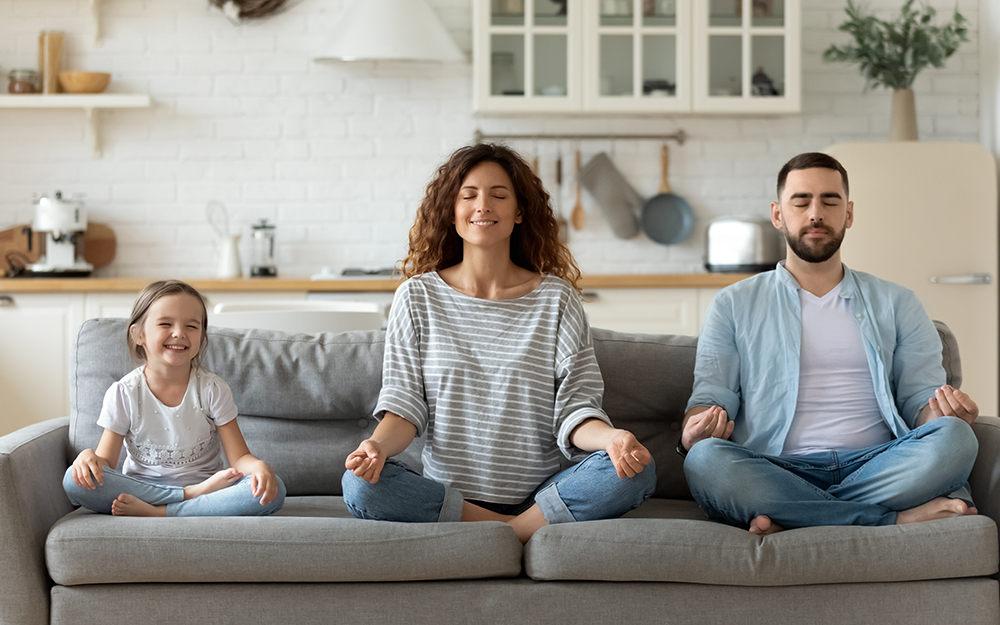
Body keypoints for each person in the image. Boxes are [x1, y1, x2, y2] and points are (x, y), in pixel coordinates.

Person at [341, 143, 655, 543]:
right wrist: (375, 447)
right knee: (359, 484)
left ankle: (499, 532)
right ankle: (515, 534)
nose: (482, 205)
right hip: (448, 495)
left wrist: (611, 438)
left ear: (519, 212)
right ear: (451, 211)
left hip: (540, 495)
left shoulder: (557, 299)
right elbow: (404, 406)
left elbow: (576, 409)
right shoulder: (417, 297)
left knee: (637, 468)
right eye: (468, 195)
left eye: (499, 195)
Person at [680, 152, 980, 535]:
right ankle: (891, 519)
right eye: (801, 201)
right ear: (777, 214)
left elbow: (919, 400)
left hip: (877, 463)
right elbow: (712, 395)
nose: (815, 213)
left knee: (956, 438)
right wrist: (693, 431)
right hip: (776, 466)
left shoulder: (898, 302)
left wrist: (945, 415)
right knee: (705, 460)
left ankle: (794, 517)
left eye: (830, 201)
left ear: (849, 214)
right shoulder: (733, 304)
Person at [63, 279, 285, 517]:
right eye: (165, 323)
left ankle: (161, 512)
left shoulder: (213, 389)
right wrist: (89, 458)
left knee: (275, 490)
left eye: (192, 326)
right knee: (73, 481)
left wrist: (258, 467)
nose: (179, 333)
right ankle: (188, 498)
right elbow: (105, 461)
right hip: (151, 490)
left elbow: (240, 457)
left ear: (202, 336)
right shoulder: (124, 392)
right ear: (139, 335)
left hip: (209, 490)